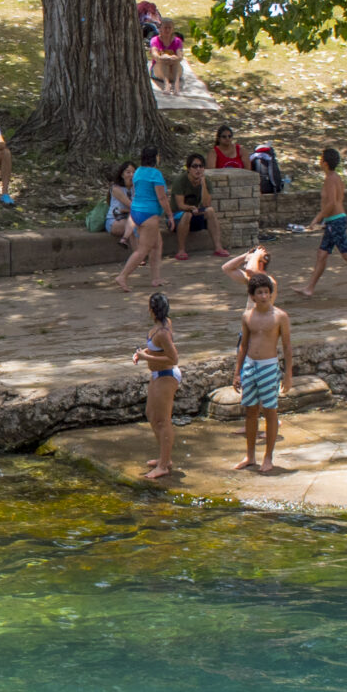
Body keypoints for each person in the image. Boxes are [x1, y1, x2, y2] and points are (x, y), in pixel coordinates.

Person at [295, 147, 347, 300]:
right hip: (334, 221)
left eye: (321, 159)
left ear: (325, 163)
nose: (319, 161)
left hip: (336, 221)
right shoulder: (335, 177)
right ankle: (309, 288)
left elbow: (332, 203)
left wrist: (317, 218)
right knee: (322, 254)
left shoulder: (331, 179)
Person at [235, 275, 292, 472]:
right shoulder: (247, 316)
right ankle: (250, 456)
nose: (264, 296)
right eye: (260, 293)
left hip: (269, 366)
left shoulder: (280, 316)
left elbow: (287, 346)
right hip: (250, 365)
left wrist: (288, 375)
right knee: (250, 411)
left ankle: (268, 457)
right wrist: (237, 373)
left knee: (270, 411)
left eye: (266, 292)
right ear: (252, 296)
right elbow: (243, 346)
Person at [133, 291, 180, 480]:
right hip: (157, 375)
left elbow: (173, 358)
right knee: (151, 414)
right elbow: (158, 350)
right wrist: (142, 353)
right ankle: (164, 457)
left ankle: (164, 465)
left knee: (163, 420)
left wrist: (146, 357)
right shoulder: (161, 326)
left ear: (151, 310)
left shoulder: (163, 332)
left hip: (166, 375)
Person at [117, 146, 173, 293]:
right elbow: (162, 198)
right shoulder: (155, 174)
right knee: (143, 250)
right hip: (149, 214)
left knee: (157, 245)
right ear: (156, 158)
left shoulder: (138, 172)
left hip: (136, 211)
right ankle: (123, 276)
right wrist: (170, 215)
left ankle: (156, 278)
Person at [171, 155, 216, 260]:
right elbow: (180, 205)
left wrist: (203, 185)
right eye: (195, 166)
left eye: (201, 166)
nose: (198, 169)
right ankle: (181, 250)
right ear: (188, 168)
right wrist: (191, 208)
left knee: (210, 211)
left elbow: (206, 204)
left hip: (194, 213)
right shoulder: (180, 180)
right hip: (177, 216)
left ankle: (218, 247)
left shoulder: (206, 181)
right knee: (187, 215)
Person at [149, 17, 186, 91]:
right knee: (164, 61)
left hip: (173, 71)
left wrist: (175, 58)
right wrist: (161, 58)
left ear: (173, 29)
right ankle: (166, 85)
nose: (167, 30)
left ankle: (176, 84)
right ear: (160, 29)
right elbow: (154, 54)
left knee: (175, 62)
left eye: (170, 28)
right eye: (165, 28)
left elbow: (180, 55)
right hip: (158, 71)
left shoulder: (177, 41)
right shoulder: (155, 40)